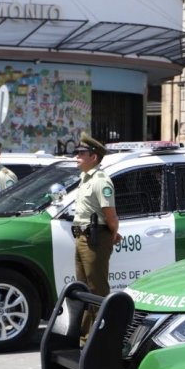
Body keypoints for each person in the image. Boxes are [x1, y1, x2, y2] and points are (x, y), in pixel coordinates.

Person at [72, 132, 120, 344]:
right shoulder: (85, 179)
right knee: (83, 287)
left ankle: (102, 336)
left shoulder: (101, 181)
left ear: (94, 157)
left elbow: (110, 215)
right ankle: (85, 336)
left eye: (81, 153)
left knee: (97, 288)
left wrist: (112, 233)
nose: (77, 157)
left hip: (95, 237)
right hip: (82, 236)